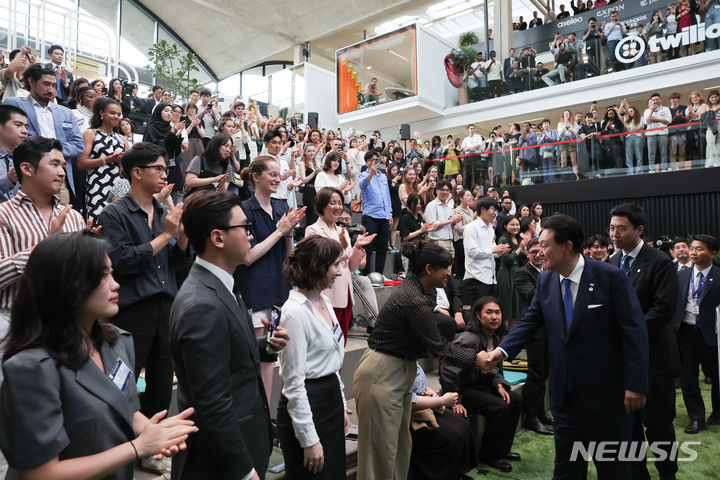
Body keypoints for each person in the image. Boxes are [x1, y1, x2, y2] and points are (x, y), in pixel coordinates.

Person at [0, 231, 197, 480]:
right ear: (66, 284)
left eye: (112, 272)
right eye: (101, 276)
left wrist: (152, 431)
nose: (115, 284)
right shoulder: (31, 368)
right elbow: (41, 474)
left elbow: (122, 407)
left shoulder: (116, 341)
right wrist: (138, 447)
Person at [481, 214, 649, 479]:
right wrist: (500, 352)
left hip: (607, 397)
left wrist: (636, 384)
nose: (537, 251)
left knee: (614, 469)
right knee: (567, 468)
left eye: (545, 245)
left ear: (567, 246)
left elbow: (634, 331)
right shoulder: (547, 280)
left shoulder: (610, 276)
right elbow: (529, 322)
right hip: (565, 397)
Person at [169, 191, 289, 480]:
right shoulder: (201, 305)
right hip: (219, 464)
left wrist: (265, 346)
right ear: (218, 238)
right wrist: (243, 472)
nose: (251, 236)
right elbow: (213, 403)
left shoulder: (222, 283)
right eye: (245, 228)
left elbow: (227, 353)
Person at [353, 240, 487, 480]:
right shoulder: (413, 299)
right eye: (445, 267)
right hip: (381, 375)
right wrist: (477, 358)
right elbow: (440, 348)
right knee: (380, 457)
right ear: (428, 269)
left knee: (398, 450)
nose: (450, 273)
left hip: (396, 374)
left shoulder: (419, 292)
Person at [96, 142, 189, 474]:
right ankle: (118, 448)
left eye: (165, 168)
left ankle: (150, 448)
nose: (166, 174)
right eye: (159, 168)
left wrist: (180, 240)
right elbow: (121, 262)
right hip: (132, 310)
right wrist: (165, 237)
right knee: (123, 383)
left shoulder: (165, 214)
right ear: (137, 173)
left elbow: (179, 266)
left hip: (167, 306)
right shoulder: (114, 213)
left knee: (162, 384)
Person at [0, 135, 89, 477]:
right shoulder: (4, 215)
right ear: (26, 168)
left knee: (66, 411)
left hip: (65, 326)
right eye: (54, 163)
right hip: (13, 325)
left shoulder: (74, 217)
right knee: (13, 415)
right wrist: (44, 246)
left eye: (63, 164)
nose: (62, 170)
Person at [607, 203, 679, 480]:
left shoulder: (659, 261)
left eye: (621, 229)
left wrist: (626, 330)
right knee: (628, 428)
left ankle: (667, 474)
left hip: (655, 360)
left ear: (639, 230)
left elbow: (663, 310)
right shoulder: (611, 263)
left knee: (659, 426)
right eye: (611, 228)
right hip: (622, 361)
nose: (614, 234)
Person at [233, 155, 306, 402]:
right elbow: (247, 257)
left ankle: (275, 412)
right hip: (255, 291)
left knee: (275, 354)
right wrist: (279, 232)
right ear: (256, 177)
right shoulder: (244, 210)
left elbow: (289, 256)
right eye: (272, 174)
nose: (277, 178)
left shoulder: (281, 208)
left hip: (279, 291)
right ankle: (260, 415)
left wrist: (289, 234)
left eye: (278, 174)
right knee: (260, 358)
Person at [277, 235, 349, 479]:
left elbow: (332, 364)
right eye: (336, 265)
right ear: (320, 267)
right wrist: (308, 439)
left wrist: (342, 406)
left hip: (329, 400)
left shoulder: (325, 302)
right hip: (308, 405)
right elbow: (294, 383)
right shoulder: (294, 313)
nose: (340, 272)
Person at [440, 297, 522, 473]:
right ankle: (489, 455)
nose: (494, 317)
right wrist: (455, 400)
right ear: (478, 315)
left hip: (482, 386)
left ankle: (501, 451)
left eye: (497, 312)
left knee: (514, 401)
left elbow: (495, 370)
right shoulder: (468, 339)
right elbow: (448, 370)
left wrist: (499, 384)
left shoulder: (496, 339)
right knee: (500, 407)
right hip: (464, 390)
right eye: (489, 312)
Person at [4, 64, 84, 206]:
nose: (51, 89)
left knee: (60, 223)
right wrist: (42, 152)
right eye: (46, 84)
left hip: (59, 180)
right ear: (31, 82)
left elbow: (78, 145)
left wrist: (52, 152)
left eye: (54, 85)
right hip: (27, 176)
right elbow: (9, 138)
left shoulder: (66, 112)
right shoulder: (13, 104)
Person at [305, 187, 375, 341]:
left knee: (340, 344)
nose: (338, 207)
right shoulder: (313, 230)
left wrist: (357, 248)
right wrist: (343, 247)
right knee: (328, 343)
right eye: (333, 203)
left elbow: (350, 266)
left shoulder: (341, 230)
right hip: (327, 293)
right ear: (322, 205)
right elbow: (321, 261)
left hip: (345, 294)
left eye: (340, 203)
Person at [673, 235, 720, 434]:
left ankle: (717, 413)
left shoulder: (718, 275)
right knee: (688, 378)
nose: (693, 252)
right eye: (692, 248)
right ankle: (696, 417)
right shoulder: (681, 275)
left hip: (713, 334)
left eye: (699, 249)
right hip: (686, 333)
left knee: (717, 377)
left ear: (713, 253)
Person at [514, 239, 554, 436]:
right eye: (535, 251)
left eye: (542, 251)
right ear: (528, 253)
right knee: (536, 374)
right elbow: (532, 295)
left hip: (551, 328)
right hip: (535, 330)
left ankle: (539, 412)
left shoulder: (549, 271)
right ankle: (531, 417)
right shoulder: (522, 273)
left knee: (545, 373)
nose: (539, 254)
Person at [78, 98, 129, 221]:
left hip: (119, 187)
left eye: (118, 114)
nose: (116, 117)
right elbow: (81, 163)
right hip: (96, 186)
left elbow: (128, 168)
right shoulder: (91, 133)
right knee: (97, 222)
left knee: (118, 222)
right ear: (101, 113)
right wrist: (107, 160)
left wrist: (122, 162)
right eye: (112, 113)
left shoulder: (122, 139)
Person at [463, 196, 511, 305]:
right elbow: (472, 252)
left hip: (490, 277)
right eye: (493, 209)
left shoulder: (490, 227)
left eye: (496, 211)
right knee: (477, 315)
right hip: (476, 278)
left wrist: (500, 251)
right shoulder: (471, 227)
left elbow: (492, 251)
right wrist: (494, 250)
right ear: (483, 209)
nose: (495, 213)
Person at [358, 150, 392, 276]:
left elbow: (387, 196)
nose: (374, 162)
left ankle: (379, 275)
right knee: (368, 247)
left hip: (384, 216)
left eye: (376, 160)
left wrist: (390, 213)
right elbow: (362, 185)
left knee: (382, 248)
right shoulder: (363, 174)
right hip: (370, 216)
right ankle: (366, 274)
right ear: (367, 162)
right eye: (371, 160)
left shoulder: (383, 176)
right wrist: (370, 174)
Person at [496, 216, 528, 330]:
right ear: (505, 226)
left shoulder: (519, 239)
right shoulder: (503, 239)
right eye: (512, 225)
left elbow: (520, 261)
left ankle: (512, 337)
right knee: (507, 307)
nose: (515, 227)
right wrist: (520, 248)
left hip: (517, 274)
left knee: (516, 308)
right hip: (506, 274)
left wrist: (525, 252)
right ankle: (503, 338)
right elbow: (507, 260)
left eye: (517, 224)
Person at [0, 105, 27, 202]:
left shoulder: (24, 158)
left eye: (26, 126)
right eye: (18, 125)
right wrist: (8, 179)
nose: (25, 131)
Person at [644, 93, 672, 173]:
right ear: (651, 101)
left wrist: (656, 119)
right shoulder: (647, 110)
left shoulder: (665, 109)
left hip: (663, 133)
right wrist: (652, 110)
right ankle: (652, 169)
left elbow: (669, 120)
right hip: (650, 134)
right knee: (651, 153)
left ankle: (663, 168)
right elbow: (647, 121)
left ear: (660, 100)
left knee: (663, 152)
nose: (655, 101)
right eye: (654, 100)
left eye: (657, 99)